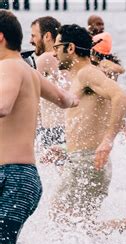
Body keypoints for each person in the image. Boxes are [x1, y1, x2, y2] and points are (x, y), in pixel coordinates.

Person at [0, 10, 82, 244]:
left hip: (11, 178)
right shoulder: (29, 72)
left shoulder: (10, 67)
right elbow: (67, 99)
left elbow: (3, 106)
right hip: (23, 180)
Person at [50, 24, 126, 230]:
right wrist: (65, 149)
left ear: (70, 48)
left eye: (57, 47)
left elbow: (122, 97)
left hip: (86, 162)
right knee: (80, 228)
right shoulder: (82, 76)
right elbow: (89, 121)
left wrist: (108, 140)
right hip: (83, 160)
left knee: (61, 223)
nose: (53, 52)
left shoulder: (87, 73)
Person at [30, 16, 67, 151]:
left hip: (53, 131)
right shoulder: (66, 59)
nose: (30, 41)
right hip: (66, 129)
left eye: (34, 36)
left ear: (47, 36)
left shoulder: (45, 58)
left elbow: (26, 90)